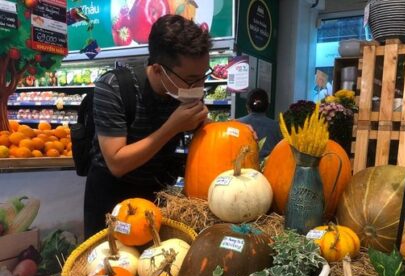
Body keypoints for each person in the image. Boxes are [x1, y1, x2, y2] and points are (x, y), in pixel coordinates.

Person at [83, 15, 211, 238]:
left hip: (155, 195)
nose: (198, 87)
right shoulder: (114, 87)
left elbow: (211, 139)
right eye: (192, 80)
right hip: (111, 198)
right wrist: (171, 127)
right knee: (112, 263)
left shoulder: (183, 91)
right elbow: (116, 162)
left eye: (203, 78)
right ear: (159, 69)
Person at [237, 88, 282, 159]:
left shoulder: (236, 124)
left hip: (243, 167)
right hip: (270, 168)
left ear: (247, 106)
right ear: (267, 106)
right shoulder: (277, 126)